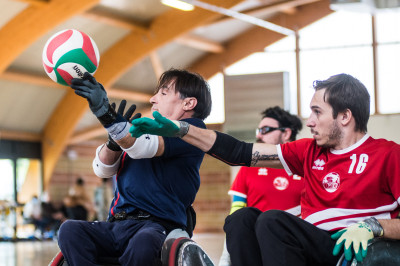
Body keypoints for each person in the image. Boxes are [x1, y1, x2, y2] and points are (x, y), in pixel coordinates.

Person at [129, 73, 400, 265]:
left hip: (352, 250)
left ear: (344, 117)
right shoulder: (308, 150)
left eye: (317, 112)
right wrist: (182, 129)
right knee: (241, 219)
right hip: (313, 243)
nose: (309, 121)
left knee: (273, 221)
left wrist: (373, 226)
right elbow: (239, 152)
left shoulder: (389, 154)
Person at [58, 68, 212, 266]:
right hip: (118, 223)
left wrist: (107, 115)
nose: (152, 99)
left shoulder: (192, 131)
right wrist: (114, 142)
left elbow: (142, 147)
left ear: (188, 103)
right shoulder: (142, 132)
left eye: (163, 93)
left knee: (144, 242)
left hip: (157, 225)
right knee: (70, 230)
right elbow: (101, 169)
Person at [219, 106, 304, 266]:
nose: (258, 135)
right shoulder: (248, 168)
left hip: (290, 247)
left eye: (265, 130)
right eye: (258, 129)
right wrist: (226, 253)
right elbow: (236, 211)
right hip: (253, 247)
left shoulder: (306, 168)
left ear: (286, 133)